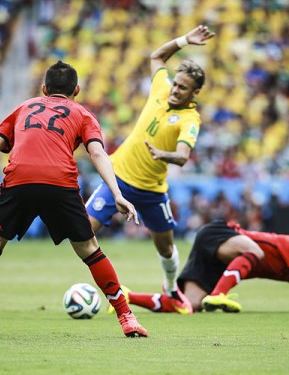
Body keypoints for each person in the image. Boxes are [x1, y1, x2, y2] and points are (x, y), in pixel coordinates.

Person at [0, 60, 148, 338]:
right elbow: (97, 154)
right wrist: (117, 193)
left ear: (44, 89)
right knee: (90, 249)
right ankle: (126, 318)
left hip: (19, 178)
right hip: (60, 181)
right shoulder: (83, 114)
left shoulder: (23, 107)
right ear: (76, 90)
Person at [85, 25, 215, 315]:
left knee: (166, 249)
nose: (175, 89)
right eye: (175, 83)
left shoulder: (190, 119)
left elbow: (182, 156)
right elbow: (157, 57)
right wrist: (184, 41)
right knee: (82, 231)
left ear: (195, 92)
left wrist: (163, 154)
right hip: (117, 178)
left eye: (182, 87)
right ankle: (114, 291)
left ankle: (171, 291)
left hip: (152, 190)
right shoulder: (160, 89)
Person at [121, 221, 289, 314]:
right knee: (256, 251)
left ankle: (127, 296)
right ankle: (220, 295)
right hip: (221, 235)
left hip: (220, 262)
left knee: (190, 305)